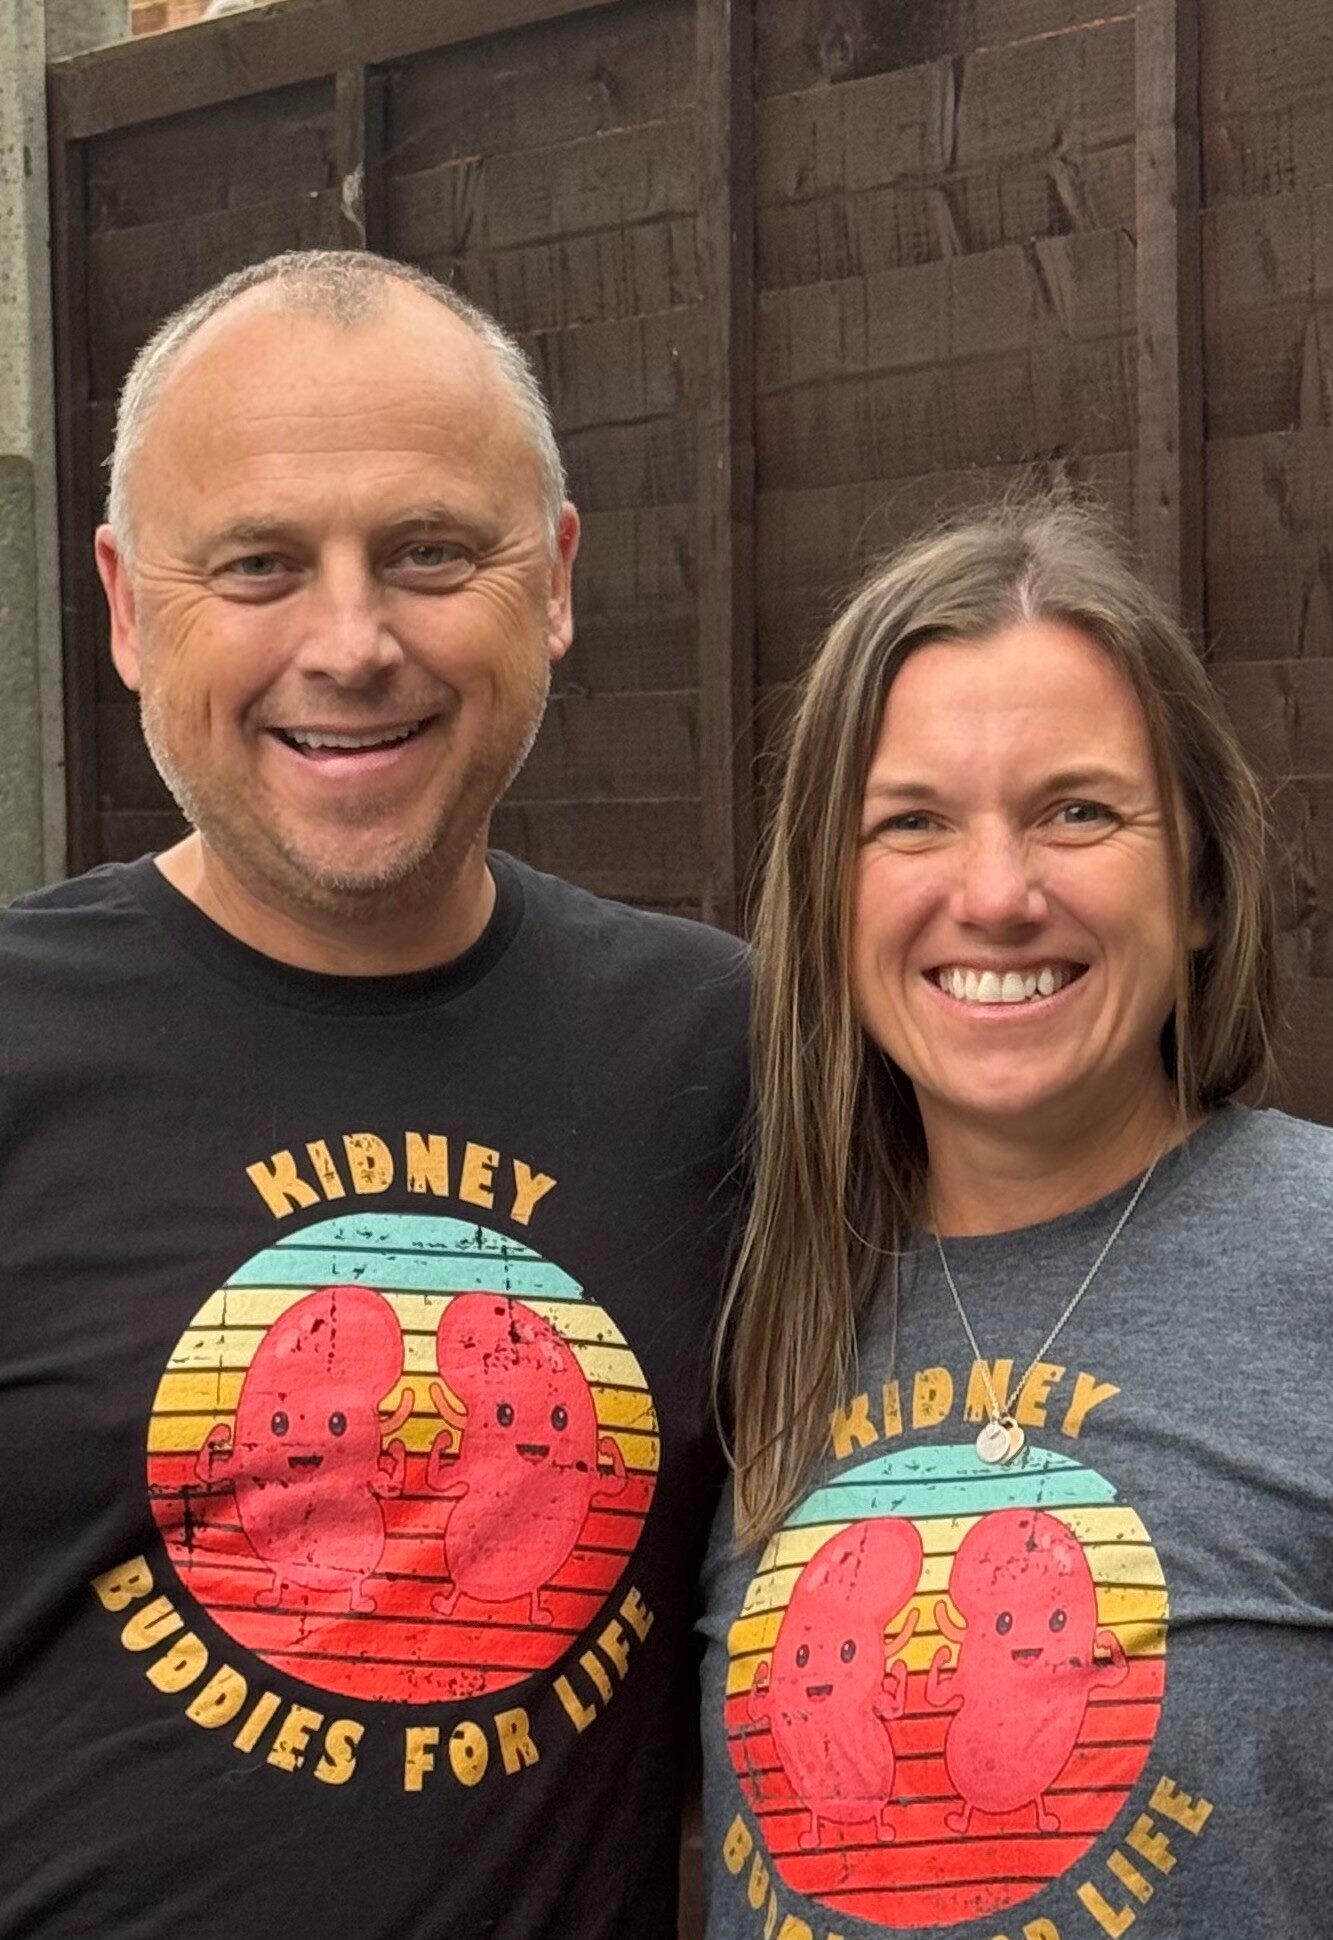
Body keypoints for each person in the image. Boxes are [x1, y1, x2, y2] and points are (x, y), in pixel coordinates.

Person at [0, 249, 747, 1939]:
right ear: (124, 607)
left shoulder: (728, 1061)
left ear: (550, 579)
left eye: (427, 553)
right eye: (258, 564)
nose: (351, 643)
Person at [699, 498, 1333, 1940]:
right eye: (911, 822)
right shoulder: (743, 1301)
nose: (994, 894)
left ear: (1199, 884)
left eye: (1077, 811)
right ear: (825, 893)